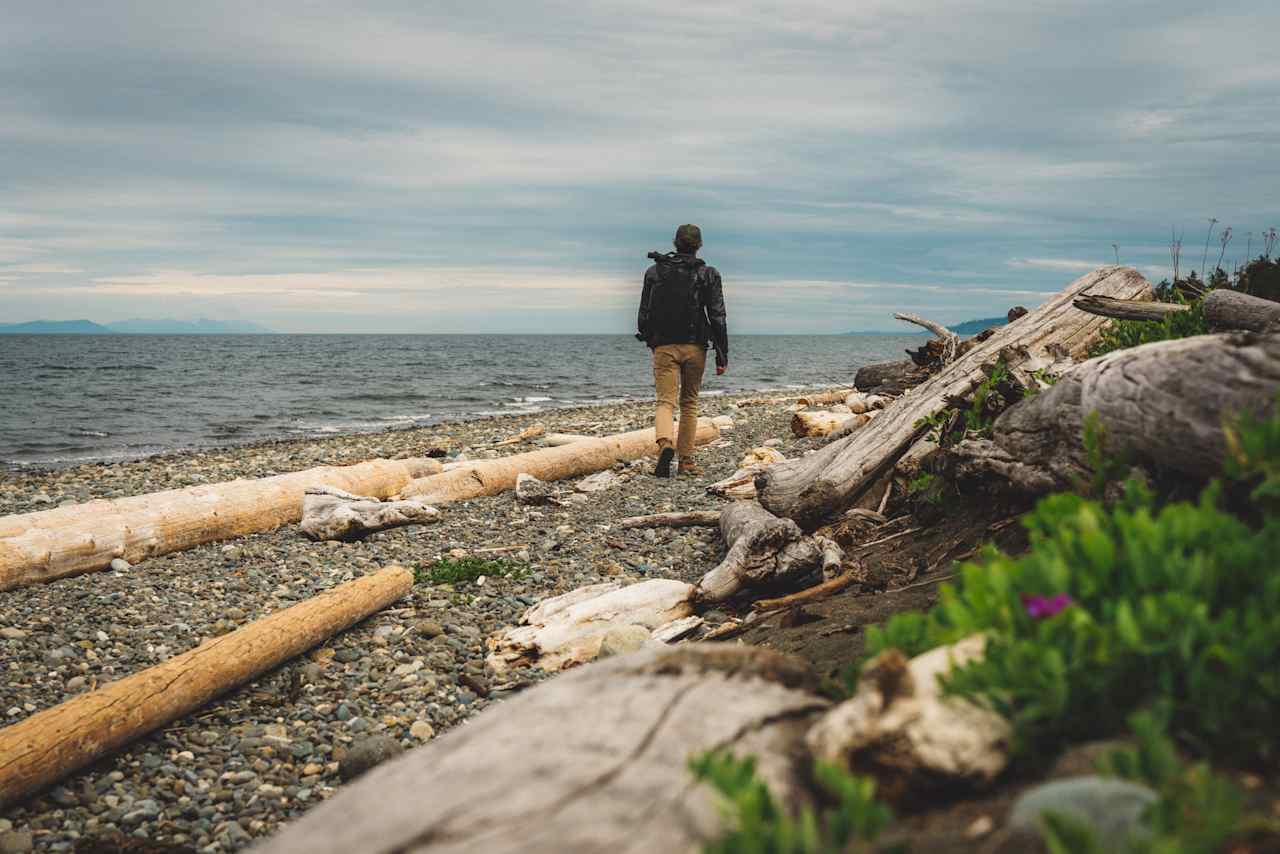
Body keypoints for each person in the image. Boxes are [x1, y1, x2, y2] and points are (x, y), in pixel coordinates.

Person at [636, 224, 729, 478]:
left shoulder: (654, 271)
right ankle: (686, 461)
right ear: (698, 245)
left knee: (665, 402)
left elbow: (643, 314)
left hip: (664, 346)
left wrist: (651, 340)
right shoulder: (708, 273)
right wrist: (722, 354)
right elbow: (717, 315)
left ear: (675, 243)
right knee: (689, 403)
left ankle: (665, 443)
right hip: (695, 346)